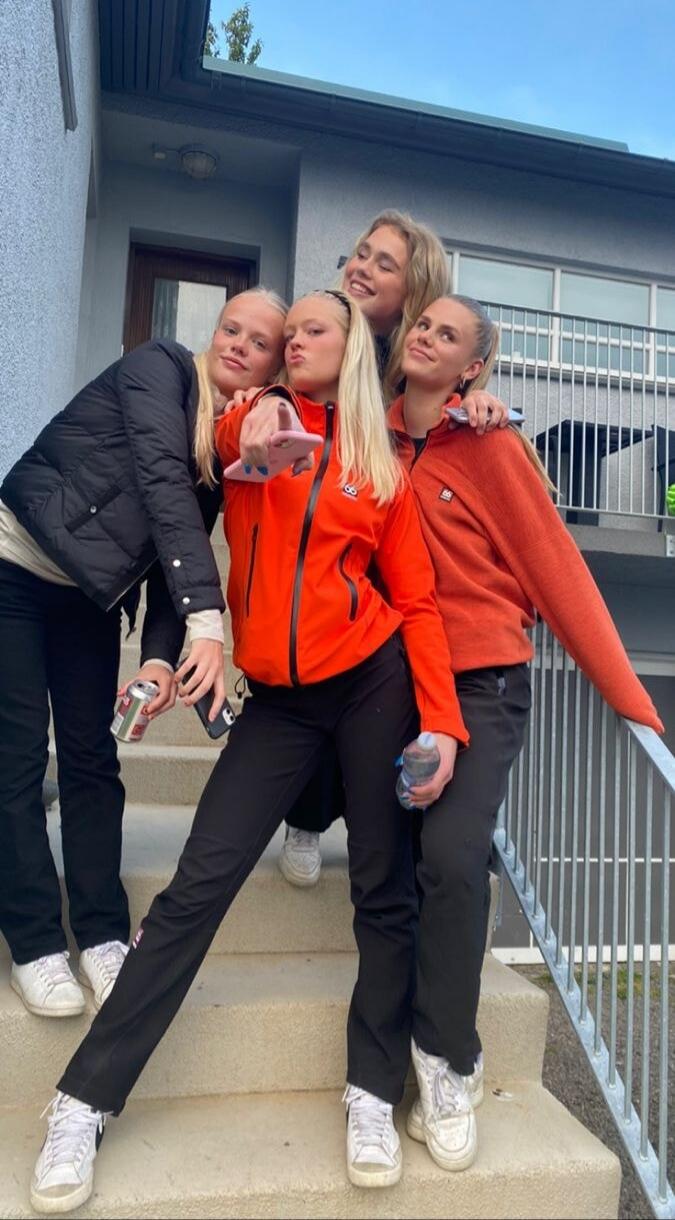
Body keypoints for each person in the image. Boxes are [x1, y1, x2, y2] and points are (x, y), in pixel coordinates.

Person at [29, 289, 469, 1213]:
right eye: (285, 331)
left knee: (382, 890)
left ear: (349, 350)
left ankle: (371, 1092)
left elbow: (417, 604)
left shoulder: (380, 467)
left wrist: (440, 722)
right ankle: (83, 1100)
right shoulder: (248, 423)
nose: (293, 340)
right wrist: (253, 430)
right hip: (277, 704)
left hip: (373, 683)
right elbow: (228, 441)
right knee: (198, 885)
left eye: (313, 329)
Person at [385, 293, 664, 1172]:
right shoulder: (367, 435)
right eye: (421, 324)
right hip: (390, 677)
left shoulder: (490, 444)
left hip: (483, 680)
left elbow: (555, 569)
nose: (425, 336)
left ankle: (448, 1059)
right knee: (400, 861)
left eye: (447, 334)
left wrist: (632, 700)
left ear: (471, 368)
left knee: (450, 856)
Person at [0, 287, 287, 1018]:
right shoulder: (160, 366)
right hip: (14, 568)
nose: (237, 345)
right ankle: (34, 942)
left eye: (258, 342)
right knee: (18, 757)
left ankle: (101, 934)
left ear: (273, 366)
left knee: (93, 761)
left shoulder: (219, 448)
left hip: (87, 599)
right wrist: (207, 623)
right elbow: (161, 482)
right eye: (232, 329)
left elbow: (168, 552)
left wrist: (158, 657)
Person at [278, 210, 509, 887]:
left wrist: (480, 399)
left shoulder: (409, 363)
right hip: (323, 547)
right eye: (360, 253)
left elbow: (445, 414)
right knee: (319, 678)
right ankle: (307, 815)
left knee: (389, 699)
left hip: (393, 550)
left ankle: (407, 841)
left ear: (414, 287)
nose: (362, 268)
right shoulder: (320, 329)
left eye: (385, 263)